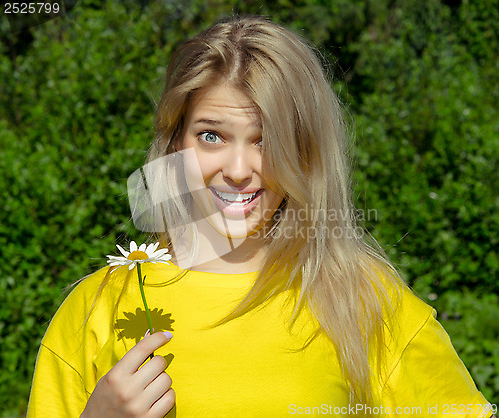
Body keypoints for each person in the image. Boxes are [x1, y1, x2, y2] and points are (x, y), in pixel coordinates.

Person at [27, 15, 495, 418]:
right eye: (211, 136)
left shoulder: (364, 301)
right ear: (175, 143)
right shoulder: (98, 307)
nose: (236, 171)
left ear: (306, 153)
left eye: (266, 140)